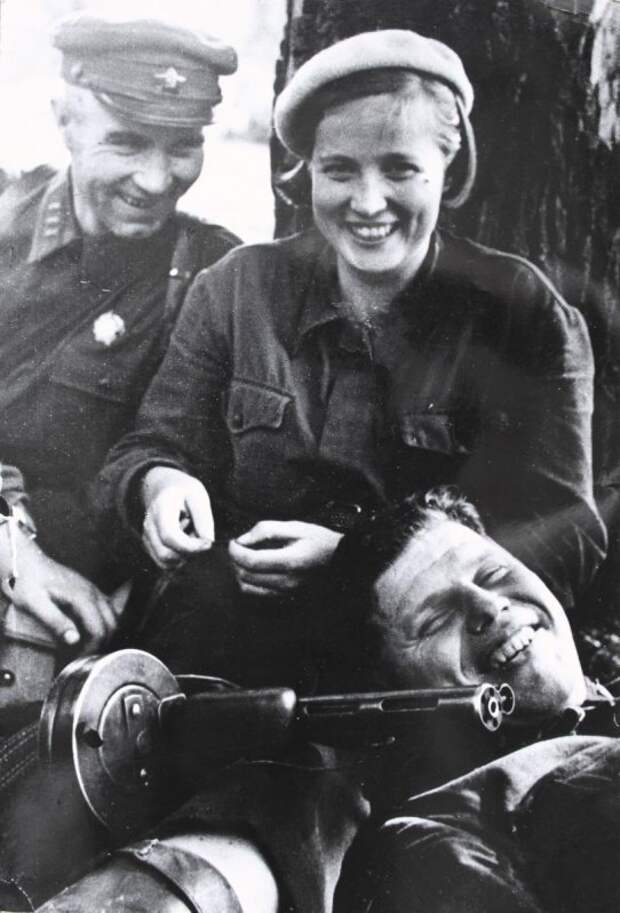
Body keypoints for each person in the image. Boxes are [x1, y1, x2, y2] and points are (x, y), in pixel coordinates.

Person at [94, 27, 604, 692]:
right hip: (229, 663)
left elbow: (566, 539)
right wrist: (159, 486)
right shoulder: (237, 288)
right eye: (338, 170)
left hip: (428, 692)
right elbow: (150, 444)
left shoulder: (520, 313)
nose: (367, 202)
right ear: (306, 169)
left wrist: (357, 561)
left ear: (448, 169)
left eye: (400, 169)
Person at [36, 488, 620, 913]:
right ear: (395, 686)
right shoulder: (426, 834)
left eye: (492, 574)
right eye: (435, 619)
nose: (489, 608)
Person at [0, 13, 240, 657]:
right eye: (128, 143)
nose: (157, 180)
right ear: (66, 122)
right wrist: (13, 553)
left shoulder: (216, 273)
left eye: (182, 145)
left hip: (109, 620)